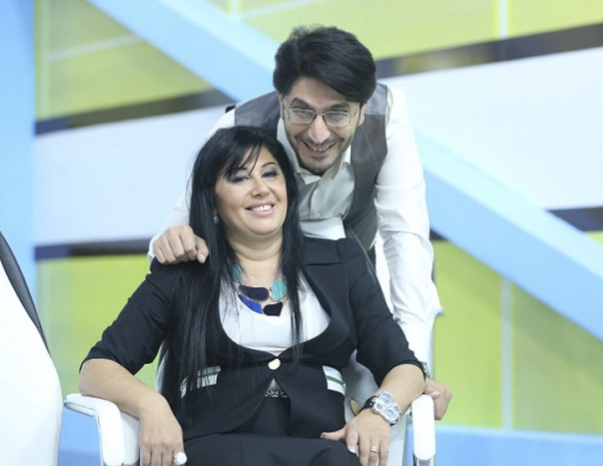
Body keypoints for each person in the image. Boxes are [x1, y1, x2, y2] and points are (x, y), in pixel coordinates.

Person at [150, 26, 451, 423]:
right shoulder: (236, 129)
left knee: (389, 395)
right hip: (251, 283)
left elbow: (404, 238)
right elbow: (176, 232)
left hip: (353, 273)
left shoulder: (387, 117)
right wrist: (173, 241)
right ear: (281, 100)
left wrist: (413, 367)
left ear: (362, 110)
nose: (318, 133)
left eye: (337, 113)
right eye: (302, 111)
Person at [79, 126, 425, 466]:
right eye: (239, 178)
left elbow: (404, 366)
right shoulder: (183, 272)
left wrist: (378, 413)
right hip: (215, 453)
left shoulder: (341, 262)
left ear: (287, 189)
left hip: (322, 451)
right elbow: (97, 367)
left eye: (270, 174)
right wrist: (151, 406)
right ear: (212, 203)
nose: (261, 189)